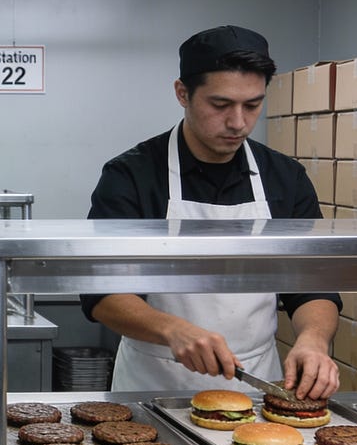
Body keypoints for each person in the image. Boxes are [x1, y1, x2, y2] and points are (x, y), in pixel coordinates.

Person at [83, 25, 340, 399]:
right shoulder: (131, 176)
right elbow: (101, 293)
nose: (238, 122)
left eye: (252, 105)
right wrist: (172, 329)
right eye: (220, 105)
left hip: (257, 383)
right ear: (182, 93)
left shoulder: (285, 178)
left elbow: (312, 284)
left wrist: (314, 339)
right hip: (154, 385)